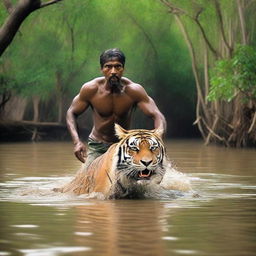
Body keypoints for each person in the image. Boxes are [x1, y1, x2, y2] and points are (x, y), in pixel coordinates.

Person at [66, 48, 166, 166]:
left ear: (123, 69)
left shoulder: (134, 91)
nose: (113, 71)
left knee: (142, 178)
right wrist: (77, 142)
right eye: (108, 67)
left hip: (125, 145)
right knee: (88, 179)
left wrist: (158, 140)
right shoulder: (91, 89)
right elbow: (71, 113)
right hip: (98, 145)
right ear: (102, 69)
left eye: (118, 66)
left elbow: (157, 115)